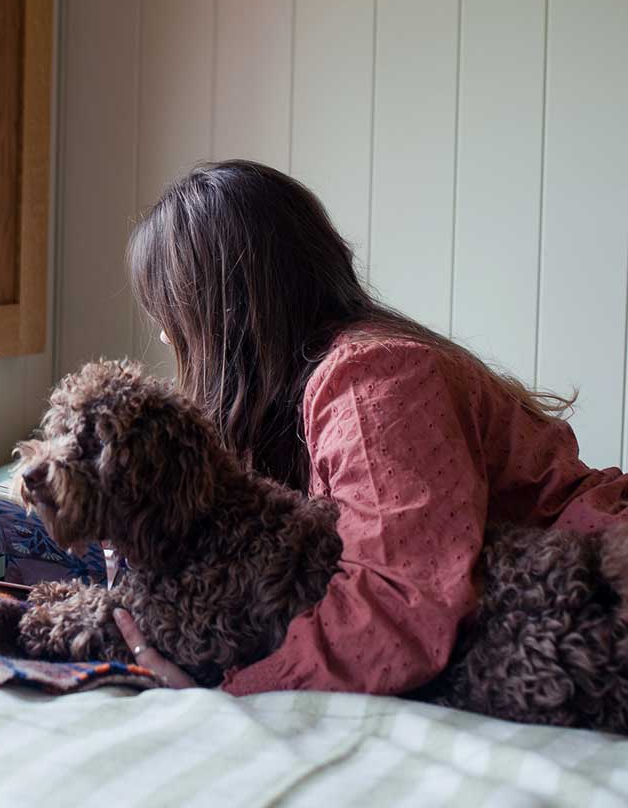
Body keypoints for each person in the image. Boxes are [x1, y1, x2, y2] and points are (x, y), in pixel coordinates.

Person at [112, 160, 628, 694]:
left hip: (604, 594)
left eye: (169, 316)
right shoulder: (326, 384)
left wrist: (239, 691)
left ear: (225, 315)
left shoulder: (374, 379)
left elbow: (400, 601)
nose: (167, 340)